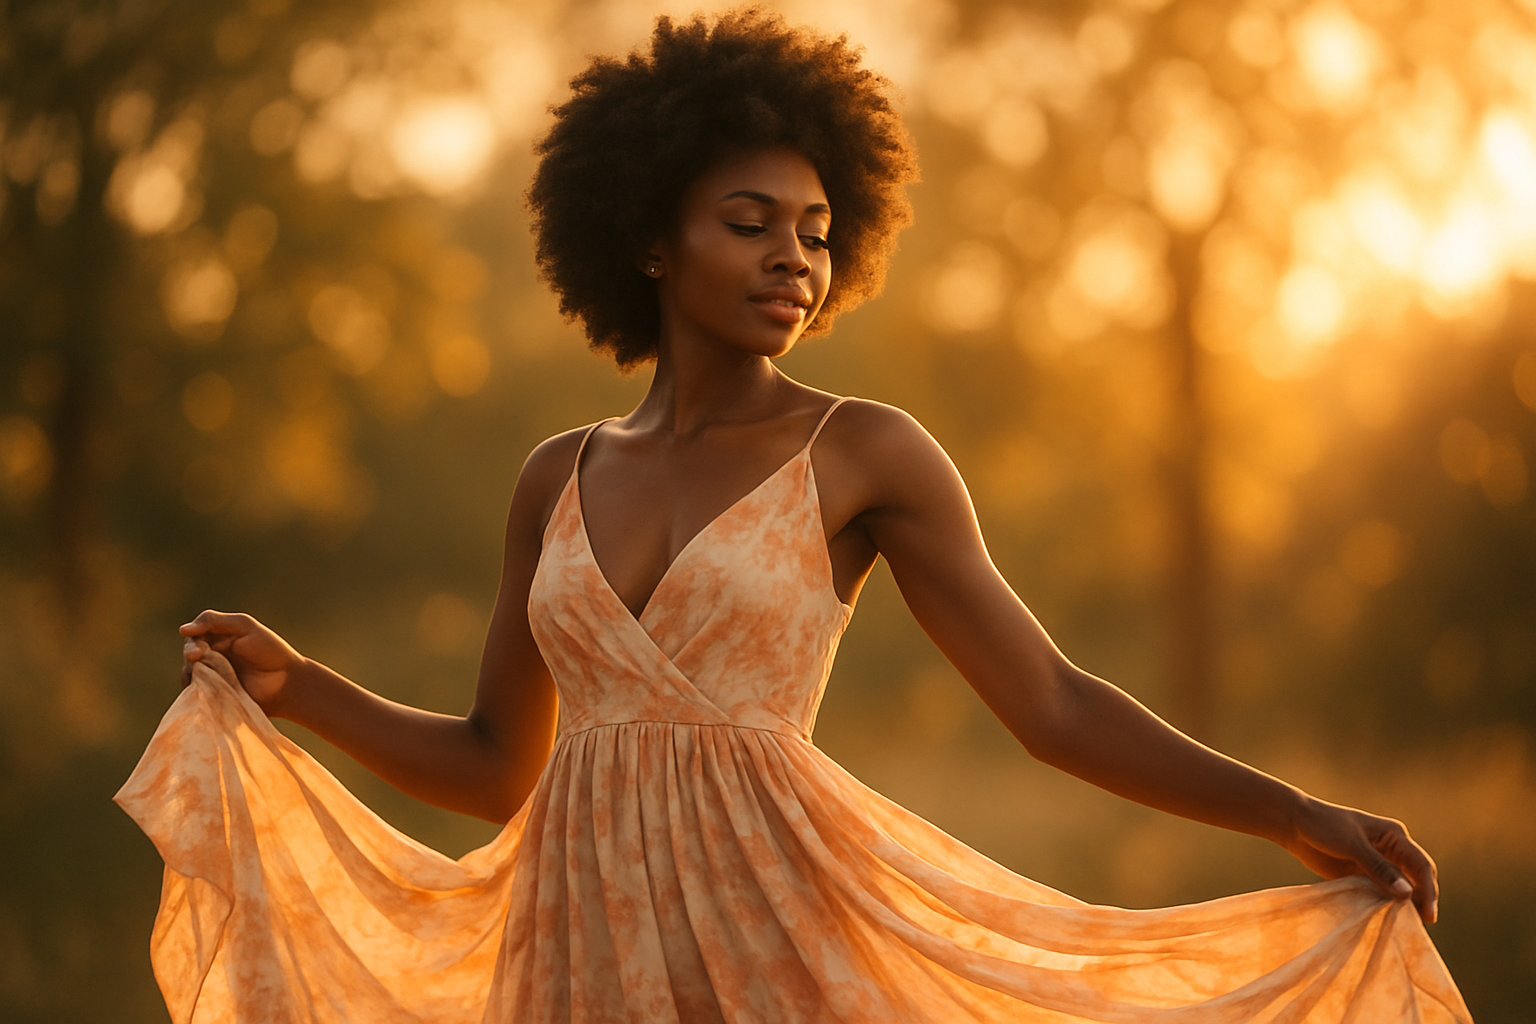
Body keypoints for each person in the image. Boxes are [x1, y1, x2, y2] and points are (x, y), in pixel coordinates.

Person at [116, 8, 1470, 1022]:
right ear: (650, 237)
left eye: (818, 231)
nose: (793, 259)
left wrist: (1295, 813)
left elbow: (1050, 700)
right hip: (576, 955)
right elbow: (495, 765)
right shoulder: (554, 473)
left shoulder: (863, 453)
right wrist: (301, 689)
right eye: (750, 221)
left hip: (777, 944)